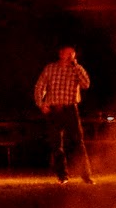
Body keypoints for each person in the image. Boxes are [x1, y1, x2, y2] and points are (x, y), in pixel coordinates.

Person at [34, 44, 94, 184]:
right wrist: (41, 104)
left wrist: (76, 66)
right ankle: (62, 176)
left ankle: (86, 175)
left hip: (70, 109)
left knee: (78, 143)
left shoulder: (76, 69)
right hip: (54, 110)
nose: (70, 56)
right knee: (56, 144)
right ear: (61, 54)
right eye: (68, 53)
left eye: (72, 54)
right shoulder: (50, 68)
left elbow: (86, 84)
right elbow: (40, 86)